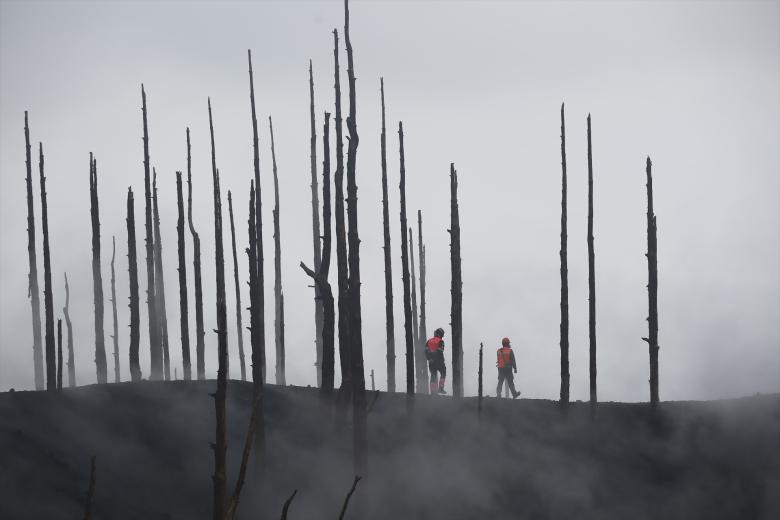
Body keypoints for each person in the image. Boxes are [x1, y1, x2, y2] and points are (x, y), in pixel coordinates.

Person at [426, 328, 447, 394]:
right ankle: (440, 388)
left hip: (431, 361)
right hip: (439, 361)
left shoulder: (429, 341)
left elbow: (426, 351)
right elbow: (440, 351)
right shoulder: (440, 341)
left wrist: (429, 358)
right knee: (443, 372)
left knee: (433, 375)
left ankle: (432, 391)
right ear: (440, 334)